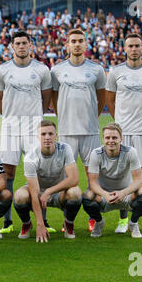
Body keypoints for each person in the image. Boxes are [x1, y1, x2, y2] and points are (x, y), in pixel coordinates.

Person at [0, 30, 52, 234]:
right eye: (17, 43)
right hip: (10, 126)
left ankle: (43, 219)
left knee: (38, 171)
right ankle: (8, 221)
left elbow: (46, 97)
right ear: (12, 46)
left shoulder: (42, 69)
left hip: (33, 127)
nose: (21, 46)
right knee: (7, 172)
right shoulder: (2, 70)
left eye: (25, 43)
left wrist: (34, 117)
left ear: (30, 45)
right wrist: (10, 116)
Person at [105, 33, 142, 234]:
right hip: (124, 132)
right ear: (125, 48)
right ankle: (123, 221)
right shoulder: (115, 72)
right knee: (122, 175)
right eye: (130, 46)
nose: (134, 49)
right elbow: (110, 100)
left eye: (137, 45)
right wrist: (120, 123)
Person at [50, 28, 106, 233]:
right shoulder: (56, 70)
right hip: (66, 132)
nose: (77, 44)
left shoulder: (97, 70)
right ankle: (68, 220)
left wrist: (92, 116)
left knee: (93, 178)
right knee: (65, 181)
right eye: (73, 41)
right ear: (67, 44)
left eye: (80, 41)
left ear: (86, 44)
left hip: (90, 131)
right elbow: (54, 99)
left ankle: (94, 218)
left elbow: (102, 98)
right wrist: (62, 115)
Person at [14, 120, 82, 242]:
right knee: (19, 196)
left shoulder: (65, 149)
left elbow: (74, 179)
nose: (47, 137)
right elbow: (34, 193)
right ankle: (27, 224)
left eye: (51, 134)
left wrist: (49, 191)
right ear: (37, 137)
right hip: (37, 191)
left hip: (58, 192)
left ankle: (68, 223)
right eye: (43, 134)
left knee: (75, 192)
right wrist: (41, 224)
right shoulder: (30, 156)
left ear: (56, 135)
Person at [82, 123, 142, 238]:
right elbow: (92, 183)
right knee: (86, 196)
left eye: (114, 137)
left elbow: (139, 180)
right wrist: (105, 194)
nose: (111, 141)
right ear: (103, 139)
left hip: (126, 195)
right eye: (107, 138)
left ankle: (133, 223)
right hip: (104, 196)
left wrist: (123, 193)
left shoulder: (130, 152)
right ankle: (99, 222)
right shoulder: (96, 154)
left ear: (121, 139)